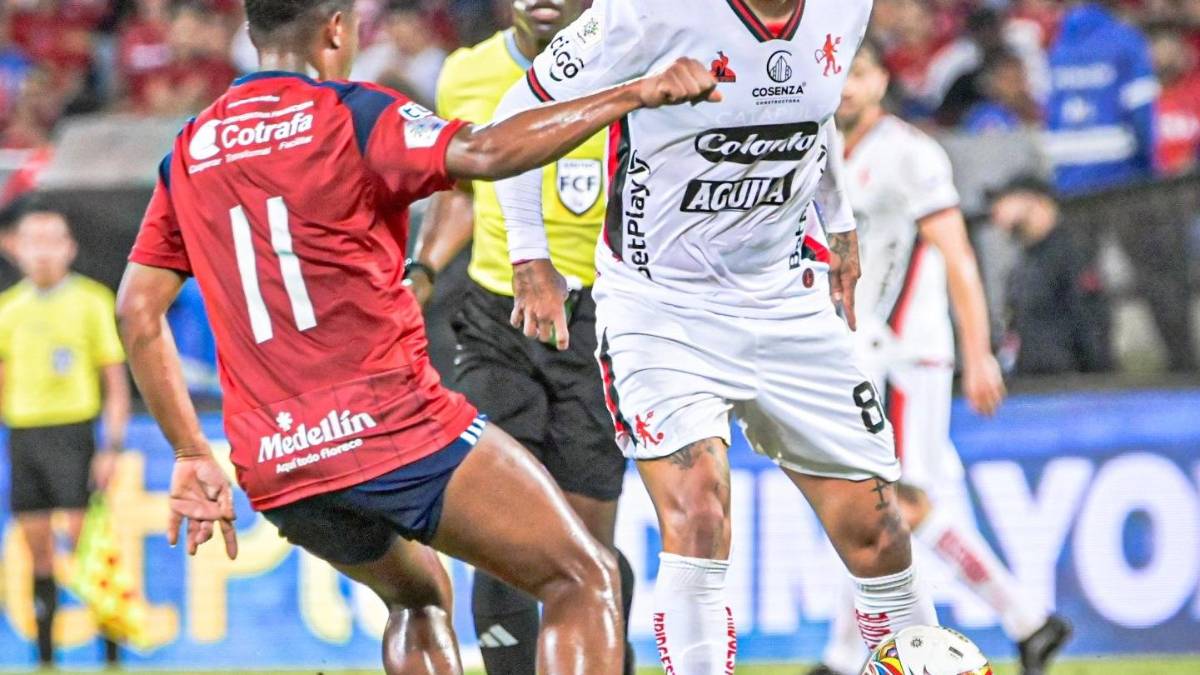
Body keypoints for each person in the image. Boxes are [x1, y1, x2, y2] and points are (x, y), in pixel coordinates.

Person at [113, 0, 719, 670]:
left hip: (277, 459)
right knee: (585, 576)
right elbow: (485, 153)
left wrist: (190, 451)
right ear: (337, 28)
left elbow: (136, 311)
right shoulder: (351, 115)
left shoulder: (193, 146)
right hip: (390, 428)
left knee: (418, 596)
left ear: (251, 32)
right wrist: (632, 93)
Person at [495, 1, 941, 671]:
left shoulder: (846, 8)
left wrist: (839, 218)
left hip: (787, 298)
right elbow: (519, 109)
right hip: (661, 307)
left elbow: (814, 113)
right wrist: (530, 257)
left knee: (879, 533)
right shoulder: (647, 12)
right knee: (698, 515)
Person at [810, 43, 1073, 675]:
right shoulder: (819, 150)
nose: (846, 88)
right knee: (875, 501)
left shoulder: (911, 153)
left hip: (908, 355)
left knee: (898, 503)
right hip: (859, 352)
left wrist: (977, 354)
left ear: (883, 81)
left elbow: (958, 256)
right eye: (837, 75)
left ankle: (1022, 621)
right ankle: (1026, 623)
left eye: (859, 74)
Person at [410, 1, 635, 672]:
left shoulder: (633, 67)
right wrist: (423, 270)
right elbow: (459, 192)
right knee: (501, 530)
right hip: (497, 320)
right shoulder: (464, 74)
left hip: (599, 323)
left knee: (587, 545)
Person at [0, 210, 130, 667]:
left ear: (69, 247)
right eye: (32, 241)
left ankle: (110, 655)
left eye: (51, 240)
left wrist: (111, 447)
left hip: (75, 433)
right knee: (36, 547)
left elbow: (115, 384)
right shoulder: (8, 309)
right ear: (15, 248)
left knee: (86, 545)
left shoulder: (93, 300)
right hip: (25, 434)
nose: (42, 251)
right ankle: (45, 658)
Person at [989, 176, 1112, 376]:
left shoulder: (1069, 253)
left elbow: (1092, 324)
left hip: (1068, 381)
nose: (1000, 210)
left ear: (1037, 202)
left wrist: (1095, 380)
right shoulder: (1024, 263)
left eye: (1011, 200)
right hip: (1033, 381)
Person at [1045, 0, 1159, 195]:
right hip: (1119, 168)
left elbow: (1048, 109)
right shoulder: (1126, 41)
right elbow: (1141, 110)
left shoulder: (1058, 45)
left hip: (1066, 170)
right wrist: (1148, 163)